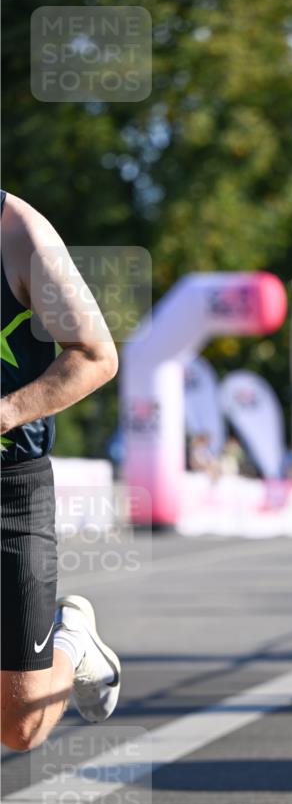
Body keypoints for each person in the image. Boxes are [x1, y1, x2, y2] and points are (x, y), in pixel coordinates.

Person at [1, 190, 120, 750]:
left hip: (10, 489)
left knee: (20, 726)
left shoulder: (20, 235)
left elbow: (95, 356)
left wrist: (6, 412)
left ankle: (71, 640)